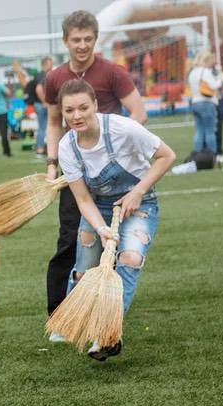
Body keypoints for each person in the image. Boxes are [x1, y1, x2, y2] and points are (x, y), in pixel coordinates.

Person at [44, 10, 146, 339]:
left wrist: (119, 149)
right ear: (66, 42)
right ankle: (61, 315)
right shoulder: (55, 78)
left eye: (88, 39)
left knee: (109, 241)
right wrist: (51, 164)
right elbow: (53, 123)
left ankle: (102, 311)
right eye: (77, 39)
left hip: (110, 174)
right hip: (74, 168)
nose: (83, 45)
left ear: (95, 39)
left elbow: (138, 113)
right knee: (69, 241)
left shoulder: (112, 73)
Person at [57, 79, 175, 360]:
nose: (77, 116)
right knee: (85, 271)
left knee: (130, 258)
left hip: (140, 203)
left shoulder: (124, 129)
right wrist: (100, 229)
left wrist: (137, 191)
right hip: (99, 207)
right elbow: (83, 199)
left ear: (95, 105)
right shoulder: (67, 147)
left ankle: (107, 333)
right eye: (69, 110)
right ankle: (72, 321)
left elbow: (166, 156)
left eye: (83, 108)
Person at [187, 52, 223, 156]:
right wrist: (221, 79)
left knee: (199, 130)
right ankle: (212, 154)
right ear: (206, 61)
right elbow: (214, 85)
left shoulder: (192, 72)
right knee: (210, 131)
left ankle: (197, 155)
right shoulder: (206, 71)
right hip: (206, 103)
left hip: (195, 103)